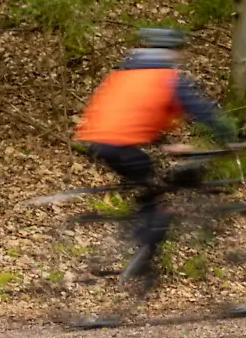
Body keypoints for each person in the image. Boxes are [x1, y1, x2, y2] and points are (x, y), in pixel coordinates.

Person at [74, 27, 235, 258]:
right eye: (180, 50)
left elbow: (137, 113)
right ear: (172, 51)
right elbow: (203, 111)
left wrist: (163, 142)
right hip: (118, 144)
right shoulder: (168, 78)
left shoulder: (125, 73)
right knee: (152, 193)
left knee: (147, 185)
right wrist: (231, 136)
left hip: (97, 139)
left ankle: (141, 235)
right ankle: (142, 256)